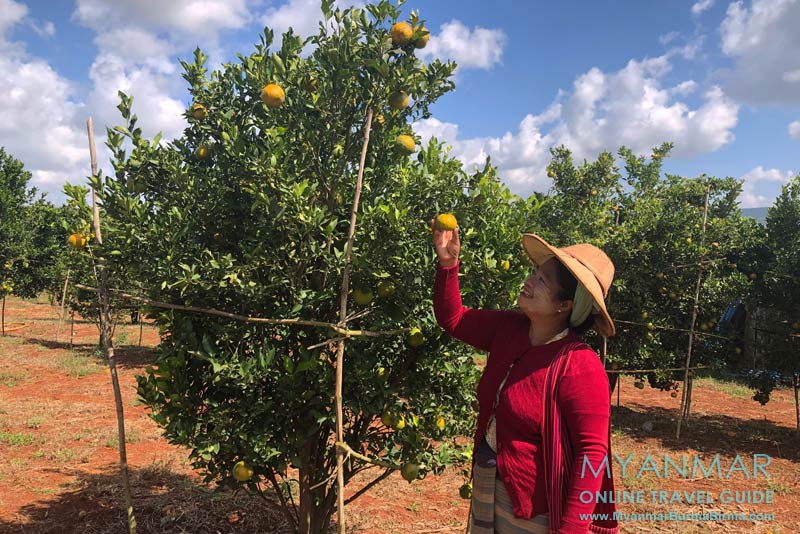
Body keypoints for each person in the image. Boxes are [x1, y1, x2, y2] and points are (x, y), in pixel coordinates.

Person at [431, 217, 619, 534]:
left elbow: (592, 454)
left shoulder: (580, 366)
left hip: (534, 508)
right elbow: (454, 319)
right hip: (488, 481)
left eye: (544, 280)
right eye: (535, 272)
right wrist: (448, 264)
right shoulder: (510, 329)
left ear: (565, 305)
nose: (530, 280)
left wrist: (572, 529)